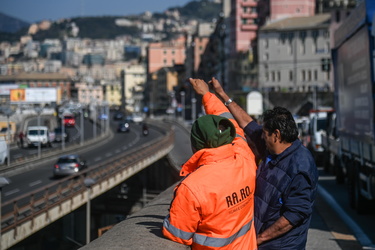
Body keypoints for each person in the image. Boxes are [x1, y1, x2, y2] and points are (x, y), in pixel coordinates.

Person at [203, 77, 318, 249]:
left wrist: (258, 240)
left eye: (265, 133)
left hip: (280, 246)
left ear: (276, 134)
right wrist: (221, 93)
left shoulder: (300, 166)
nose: (261, 136)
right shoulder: (272, 147)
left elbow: (293, 216)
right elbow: (247, 123)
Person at [162, 78, 258, 249]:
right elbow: (231, 123)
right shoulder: (244, 156)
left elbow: (177, 233)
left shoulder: (192, 187)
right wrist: (207, 95)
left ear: (195, 146)